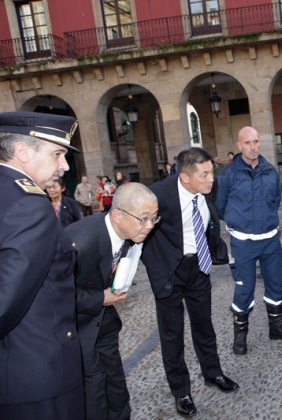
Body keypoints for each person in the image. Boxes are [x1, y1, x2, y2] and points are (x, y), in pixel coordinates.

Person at [141, 147, 239, 418]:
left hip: (199, 266)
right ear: (185, 177)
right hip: (169, 272)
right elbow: (135, 231)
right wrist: (155, 268)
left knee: (204, 325)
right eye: (205, 174)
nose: (211, 178)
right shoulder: (158, 196)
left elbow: (209, 221)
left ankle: (213, 373)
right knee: (172, 335)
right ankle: (181, 391)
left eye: (211, 172)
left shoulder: (209, 189)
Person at [0, 111, 84, 419]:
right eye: (57, 154)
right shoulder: (29, 205)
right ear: (23, 152)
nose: (64, 166)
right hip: (36, 375)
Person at [67, 183, 158, 420]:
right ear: (118, 215)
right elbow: (54, 294)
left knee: (116, 383)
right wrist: (100, 298)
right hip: (76, 329)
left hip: (104, 323)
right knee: (95, 389)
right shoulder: (79, 243)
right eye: (144, 219)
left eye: (154, 219)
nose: (149, 226)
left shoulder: (132, 234)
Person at [216, 126, 282, 356]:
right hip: (243, 242)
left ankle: (277, 328)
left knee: (275, 282)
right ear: (239, 145)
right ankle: (240, 335)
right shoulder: (227, 174)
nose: (252, 147)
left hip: (271, 240)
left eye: (255, 142)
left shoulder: (270, 171)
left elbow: (274, 201)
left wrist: (263, 221)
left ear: (260, 142)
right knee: (245, 287)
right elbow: (220, 206)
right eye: (247, 143)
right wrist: (242, 222)